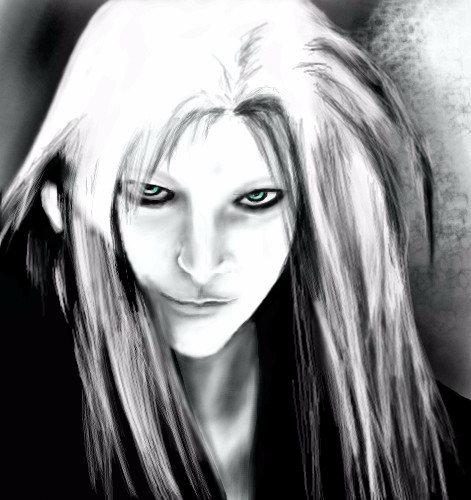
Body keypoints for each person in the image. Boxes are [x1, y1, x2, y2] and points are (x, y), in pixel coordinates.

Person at [0, 1, 469, 499]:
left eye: (257, 199)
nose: (202, 262)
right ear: (61, 201)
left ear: (314, 206)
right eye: (152, 195)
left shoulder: (424, 449)